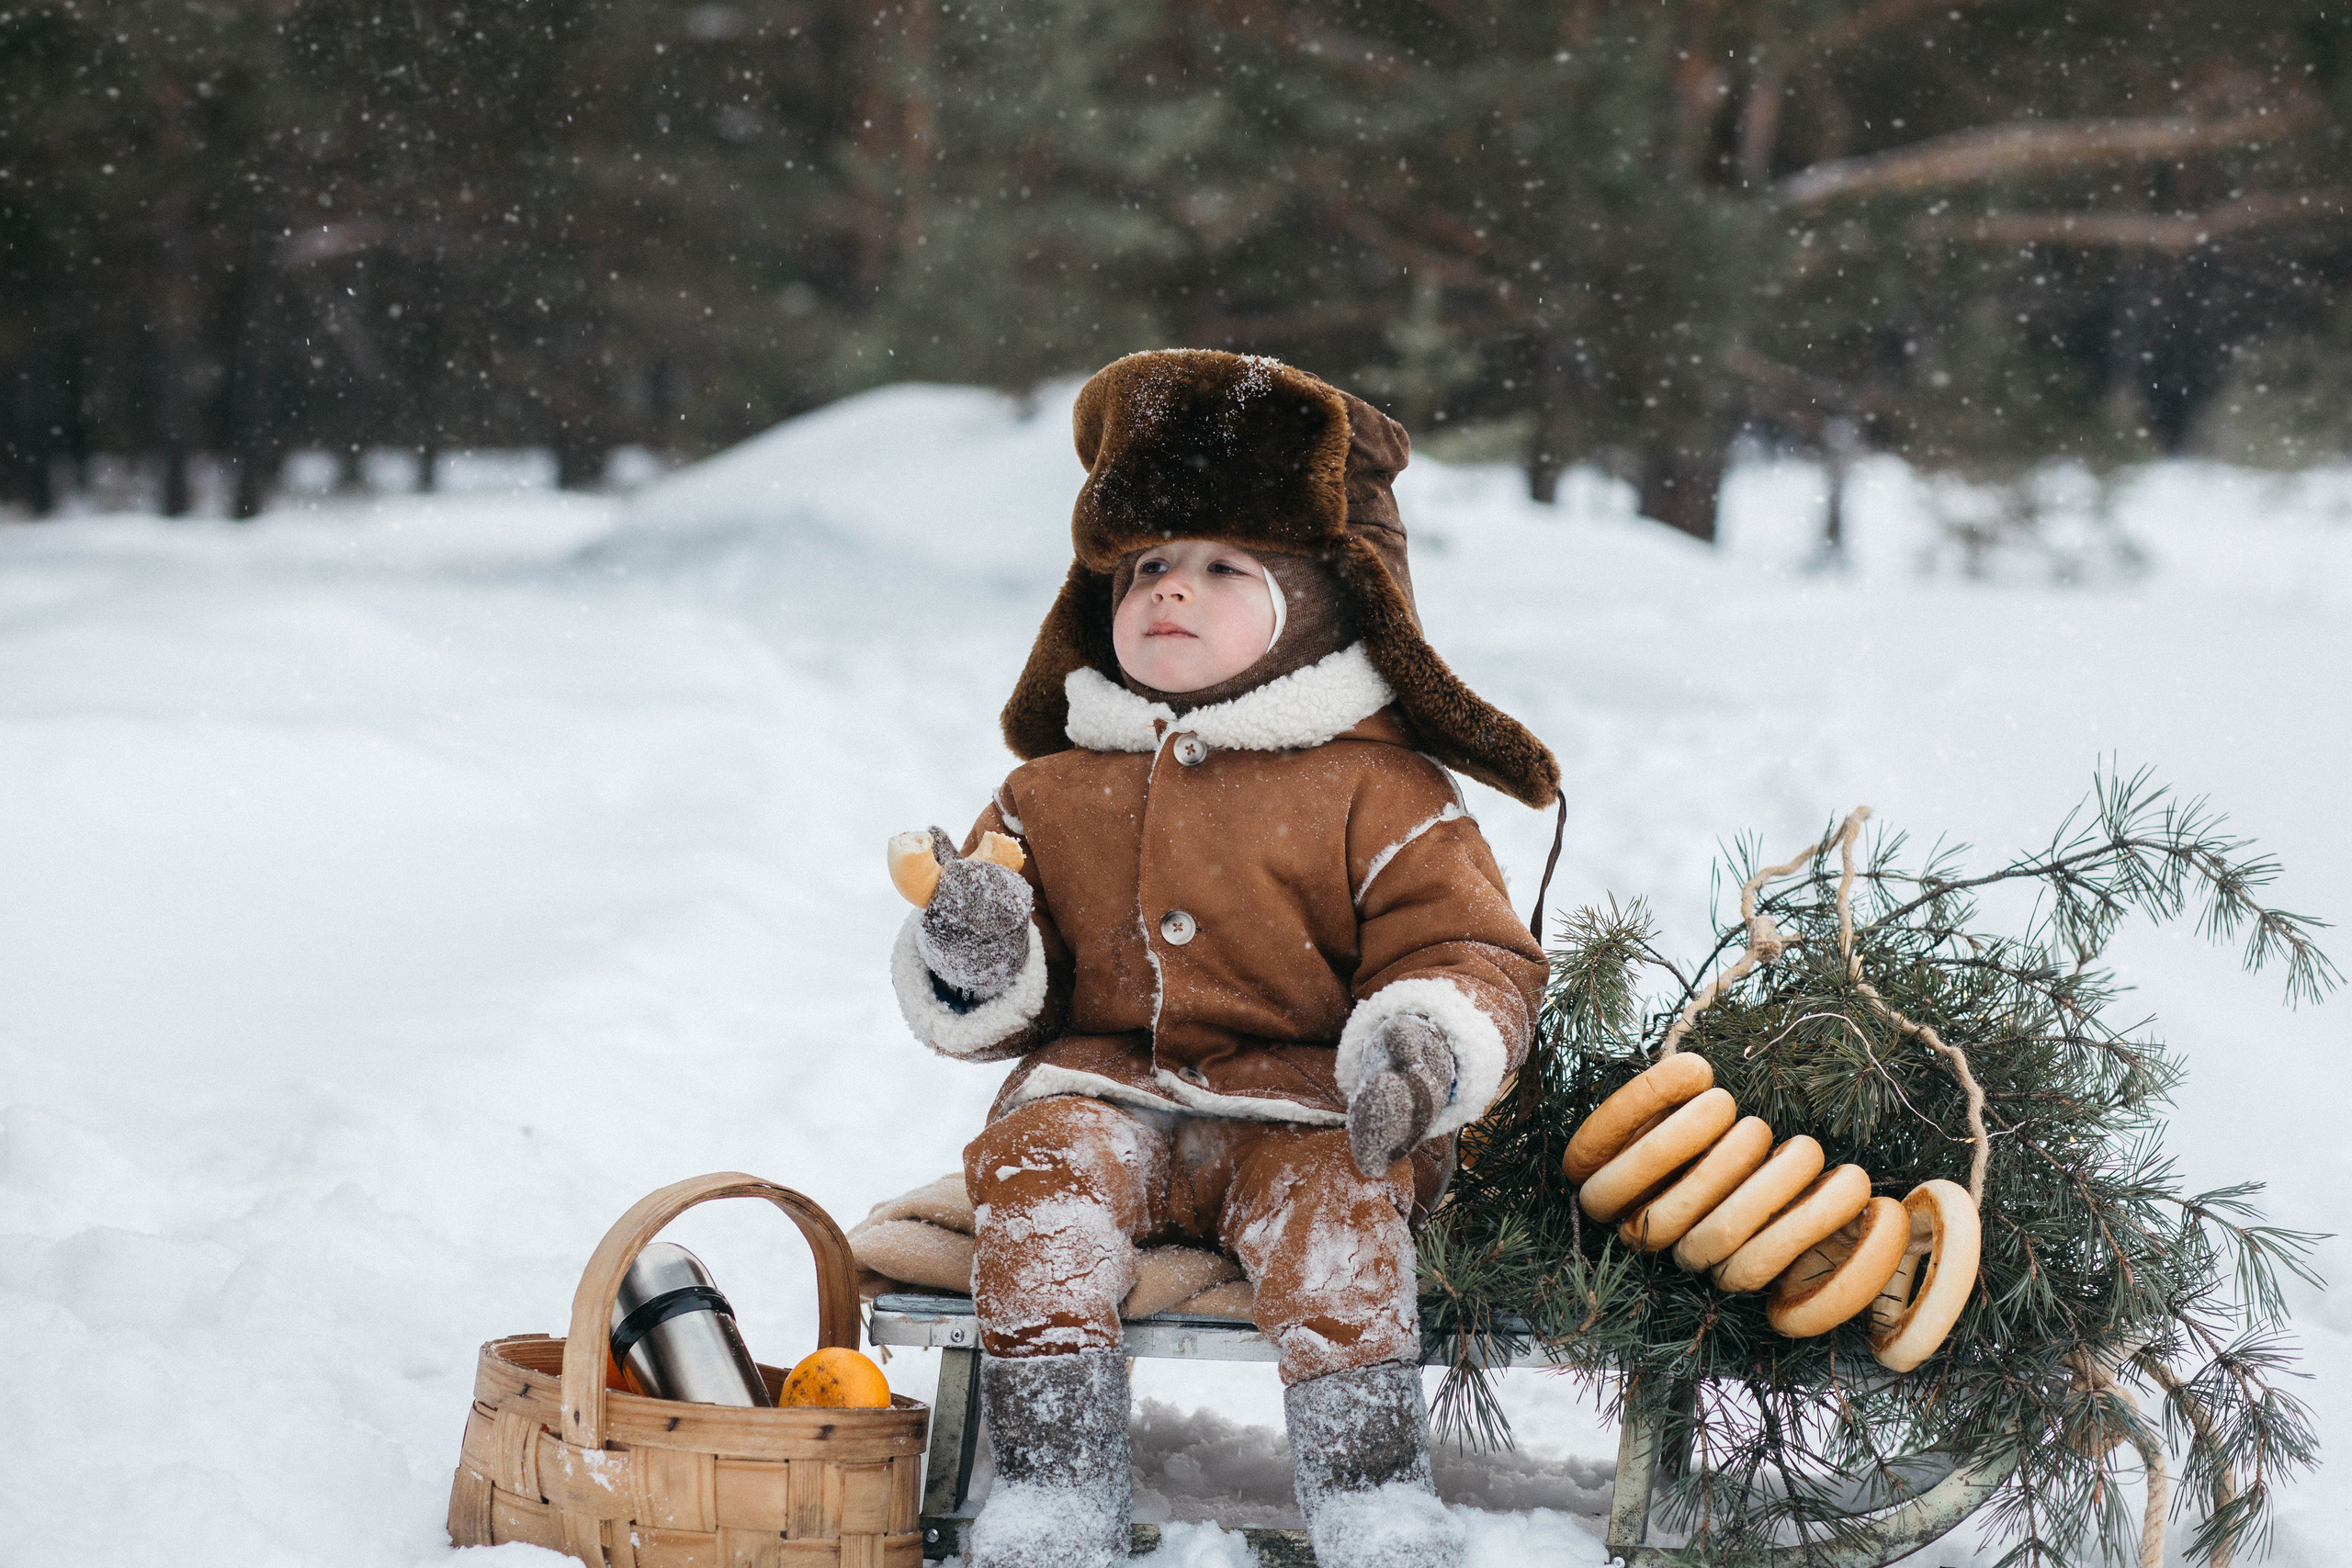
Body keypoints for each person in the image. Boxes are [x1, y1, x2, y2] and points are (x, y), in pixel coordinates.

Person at [889, 348, 1561, 1568]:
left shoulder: (1378, 783)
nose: (1170, 591)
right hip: (1107, 1097)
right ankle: (1052, 1482)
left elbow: (1467, 947)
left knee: (1343, 1219)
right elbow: (1006, 978)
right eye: (1145, 566)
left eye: (1218, 568)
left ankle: (1367, 1491)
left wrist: (1417, 1047)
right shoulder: (1050, 788)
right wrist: (978, 945)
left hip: (1307, 1113)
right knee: (1037, 1176)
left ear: (1312, 601)